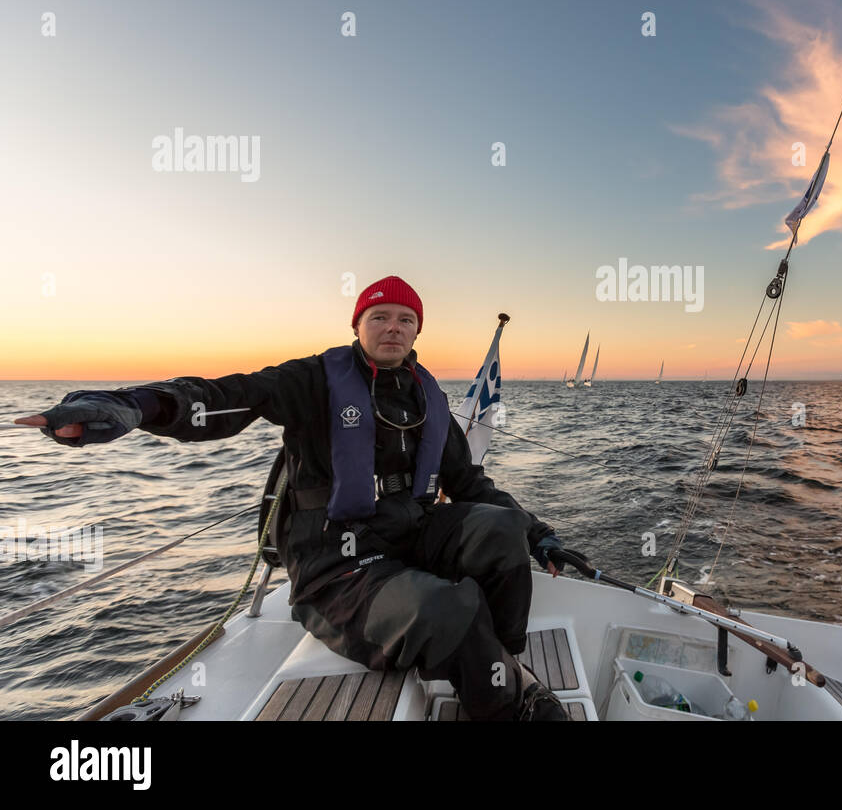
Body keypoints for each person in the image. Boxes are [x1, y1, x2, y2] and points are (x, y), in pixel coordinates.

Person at [14, 275, 572, 720]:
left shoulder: (427, 398)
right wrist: (135, 407)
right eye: (379, 317)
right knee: (448, 606)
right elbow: (228, 397)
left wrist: (539, 533)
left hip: (411, 537)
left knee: (501, 529)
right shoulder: (314, 381)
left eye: (405, 319)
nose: (393, 327)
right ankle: (503, 708)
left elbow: (471, 485)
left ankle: (502, 665)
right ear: (359, 325)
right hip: (336, 565)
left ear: (417, 331)